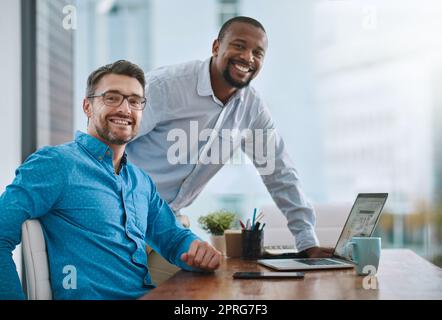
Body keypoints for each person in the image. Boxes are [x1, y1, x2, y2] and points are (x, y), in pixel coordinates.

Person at [126, 16, 333, 282]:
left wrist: (306, 242)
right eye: (239, 46)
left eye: (258, 53)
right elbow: (109, 145)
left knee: (207, 285)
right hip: (125, 216)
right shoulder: (167, 86)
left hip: (170, 224)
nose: (248, 57)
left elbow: (280, 174)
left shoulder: (252, 108)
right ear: (216, 47)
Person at [0, 60, 221, 300]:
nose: (125, 109)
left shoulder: (140, 181)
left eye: (135, 101)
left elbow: (173, 238)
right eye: (112, 98)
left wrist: (198, 250)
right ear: (87, 107)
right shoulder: (56, 164)